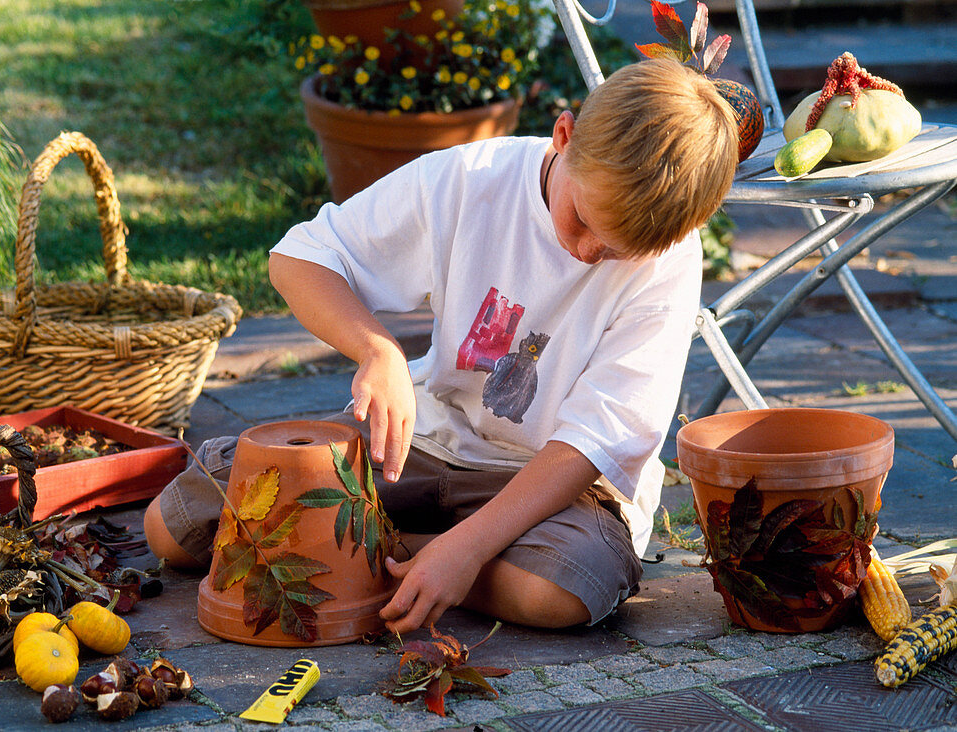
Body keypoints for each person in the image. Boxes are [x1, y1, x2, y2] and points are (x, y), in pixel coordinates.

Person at [144, 57, 739, 635]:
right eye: (582, 219)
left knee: (559, 590)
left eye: (614, 251)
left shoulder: (670, 258)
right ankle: (395, 551)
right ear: (564, 135)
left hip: (555, 487)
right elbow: (301, 257)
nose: (587, 253)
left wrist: (466, 548)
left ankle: (368, 546)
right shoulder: (470, 179)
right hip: (429, 440)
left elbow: (595, 442)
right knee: (172, 527)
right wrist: (378, 351)